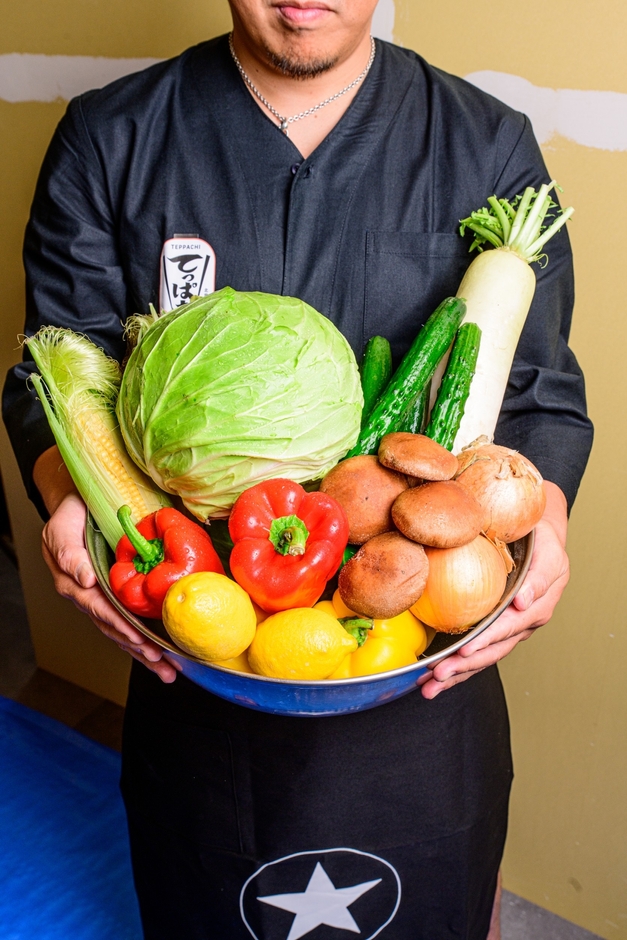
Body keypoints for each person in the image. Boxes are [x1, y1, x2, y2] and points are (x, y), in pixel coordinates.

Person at [3, 1, 592, 937]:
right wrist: (70, 497)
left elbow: (539, 392)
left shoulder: (483, 141)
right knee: (202, 893)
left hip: (419, 639)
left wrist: (546, 528)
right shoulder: (111, 134)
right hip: (196, 632)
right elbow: (53, 364)